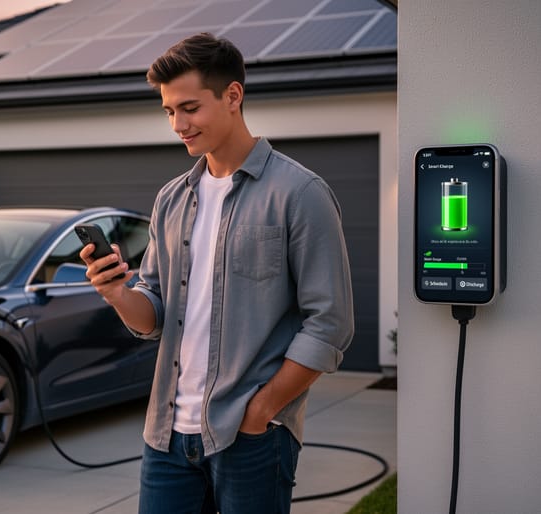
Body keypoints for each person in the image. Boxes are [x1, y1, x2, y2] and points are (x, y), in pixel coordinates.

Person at [79, 33, 355, 514]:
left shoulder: (300, 193)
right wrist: (117, 292)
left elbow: (329, 324)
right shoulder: (171, 199)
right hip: (166, 437)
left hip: (251, 437)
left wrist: (262, 410)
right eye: (169, 111)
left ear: (232, 96)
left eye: (190, 108)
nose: (178, 125)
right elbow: (154, 316)